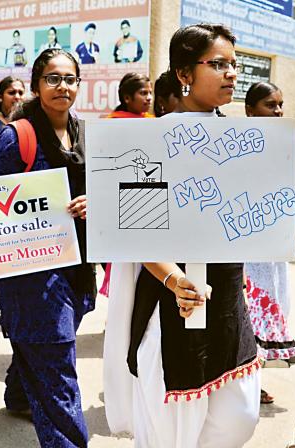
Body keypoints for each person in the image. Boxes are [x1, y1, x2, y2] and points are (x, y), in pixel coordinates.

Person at [104, 24, 260, 448]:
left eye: (234, 64)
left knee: (239, 418)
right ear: (184, 73)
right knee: (172, 429)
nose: (231, 74)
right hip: (174, 306)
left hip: (227, 302)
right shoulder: (150, 141)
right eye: (218, 64)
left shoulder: (244, 141)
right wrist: (175, 279)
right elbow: (135, 233)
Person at [0, 48, 94, 446]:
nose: (63, 86)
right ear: (38, 85)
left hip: (79, 267)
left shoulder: (85, 132)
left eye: (70, 78)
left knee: (44, 344)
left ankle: (18, 395)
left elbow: (106, 189)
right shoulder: (17, 137)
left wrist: (93, 202)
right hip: (31, 277)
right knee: (58, 363)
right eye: (53, 78)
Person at [242, 81, 295, 406]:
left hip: (273, 251)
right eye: (270, 105)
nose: (277, 111)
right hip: (249, 248)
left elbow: (285, 194)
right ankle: (246, 383)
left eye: (280, 105)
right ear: (251, 110)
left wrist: (288, 229)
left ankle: (254, 379)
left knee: (273, 307)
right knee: (250, 314)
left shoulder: (283, 145)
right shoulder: (238, 148)